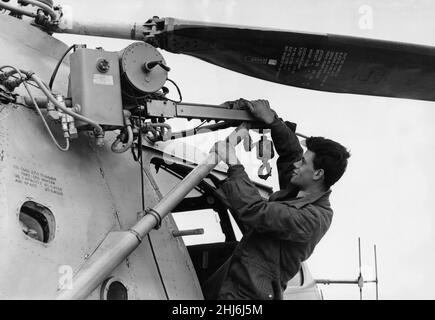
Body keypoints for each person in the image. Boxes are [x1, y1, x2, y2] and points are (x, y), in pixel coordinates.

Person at [204, 99, 351, 300]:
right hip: (236, 283)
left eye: (304, 162)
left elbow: (256, 212)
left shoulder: (314, 219)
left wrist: (234, 164)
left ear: (317, 174)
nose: (297, 164)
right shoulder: (301, 189)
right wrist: (273, 121)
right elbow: (291, 153)